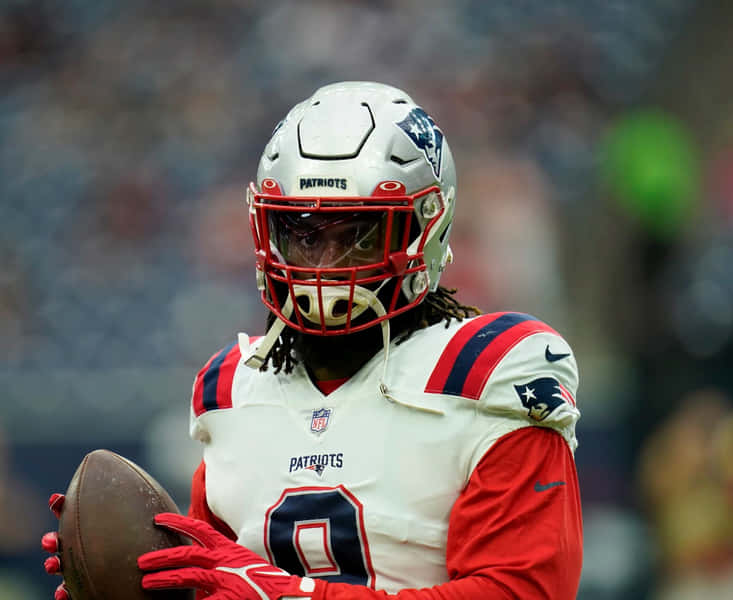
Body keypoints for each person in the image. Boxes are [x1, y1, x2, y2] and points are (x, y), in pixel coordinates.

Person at [42, 81, 583, 599]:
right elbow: (220, 582)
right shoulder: (232, 387)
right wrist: (140, 580)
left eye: (358, 236)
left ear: (425, 230)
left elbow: (522, 592)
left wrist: (288, 597)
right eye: (301, 235)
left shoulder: (486, 371)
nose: (323, 267)